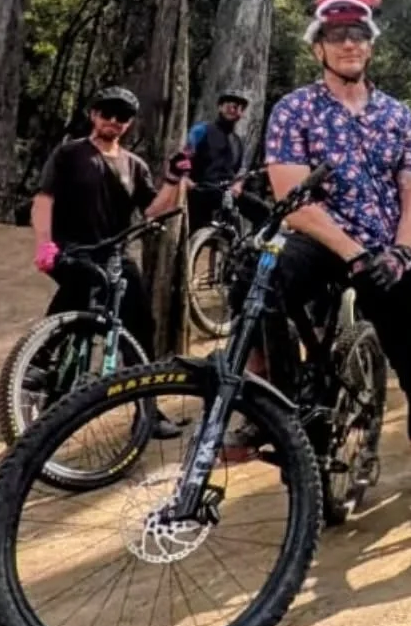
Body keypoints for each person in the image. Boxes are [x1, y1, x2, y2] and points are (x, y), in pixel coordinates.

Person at [262, 0, 411, 580]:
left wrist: (395, 248)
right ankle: (269, 409)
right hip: (319, 240)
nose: (350, 42)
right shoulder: (294, 109)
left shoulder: (396, 115)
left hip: (384, 248)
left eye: (359, 32)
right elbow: (291, 197)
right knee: (260, 287)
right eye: (337, 34)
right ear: (318, 45)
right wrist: (350, 251)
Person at [32, 84, 189, 438]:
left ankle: (148, 410)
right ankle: (39, 363)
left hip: (114, 252)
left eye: (123, 116)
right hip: (72, 249)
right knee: (83, 286)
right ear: (93, 114)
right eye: (108, 113)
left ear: (130, 123)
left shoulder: (134, 165)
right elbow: (44, 200)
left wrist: (173, 179)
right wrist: (44, 245)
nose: (114, 121)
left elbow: (151, 210)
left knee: (140, 324)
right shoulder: (69, 154)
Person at [185, 91, 250, 233]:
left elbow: (241, 170)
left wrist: (238, 185)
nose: (233, 110)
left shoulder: (237, 141)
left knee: (263, 211)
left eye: (238, 107)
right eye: (229, 106)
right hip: (200, 190)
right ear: (220, 107)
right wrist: (186, 180)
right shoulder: (201, 130)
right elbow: (184, 155)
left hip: (227, 193)